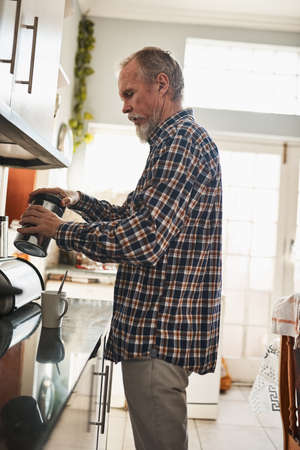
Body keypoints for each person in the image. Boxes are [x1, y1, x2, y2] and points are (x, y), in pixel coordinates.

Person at [18, 47, 222, 450]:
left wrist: (60, 229)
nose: (125, 107)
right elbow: (132, 217)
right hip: (158, 335)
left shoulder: (180, 144)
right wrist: (77, 200)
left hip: (157, 336)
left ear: (161, 84)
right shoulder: (173, 143)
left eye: (129, 94)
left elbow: (144, 240)